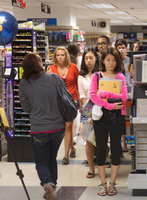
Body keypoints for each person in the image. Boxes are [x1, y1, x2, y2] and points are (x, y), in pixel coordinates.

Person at [19, 53, 66, 200]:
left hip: (39, 129)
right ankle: (53, 186)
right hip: (58, 127)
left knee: (41, 161)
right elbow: (63, 98)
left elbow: (26, 108)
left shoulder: (24, 84)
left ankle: (48, 186)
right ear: (39, 64)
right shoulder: (54, 78)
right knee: (52, 158)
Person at [89, 47, 127, 196]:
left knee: (116, 150)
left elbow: (123, 98)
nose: (111, 62)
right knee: (101, 150)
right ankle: (103, 184)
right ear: (103, 61)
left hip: (117, 116)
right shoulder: (96, 76)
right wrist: (110, 104)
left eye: (114, 60)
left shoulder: (120, 77)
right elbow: (93, 96)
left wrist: (104, 93)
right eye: (108, 59)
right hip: (101, 117)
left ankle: (112, 183)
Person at [47, 46, 79, 165]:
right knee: (64, 127)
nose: (60, 57)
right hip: (58, 101)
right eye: (58, 55)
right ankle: (72, 147)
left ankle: (65, 155)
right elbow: (49, 86)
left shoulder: (73, 67)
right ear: (55, 56)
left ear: (66, 56)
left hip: (72, 101)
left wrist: (79, 99)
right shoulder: (51, 69)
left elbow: (77, 83)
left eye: (63, 55)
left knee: (68, 126)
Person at [78, 47, 100, 178]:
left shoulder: (101, 74)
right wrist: (90, 115)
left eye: (91, 57)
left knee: (101, 140)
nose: (88, 60)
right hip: (88, 111)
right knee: (89, 140)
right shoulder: (81, 76)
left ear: (96, 58)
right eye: (86, 58)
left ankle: (101, 163)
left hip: (102, 110)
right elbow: (82, 97)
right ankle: (91, 168)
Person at [115, 39, 131, 152]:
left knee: (126, 118)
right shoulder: (114, 61)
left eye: (123, 47)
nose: (121, 50)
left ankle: (126, 143)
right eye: (119, 48)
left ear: (126, 48)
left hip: (128, 91)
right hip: (116, 91)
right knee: (118, 117)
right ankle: (119, 144)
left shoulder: (129, 60)